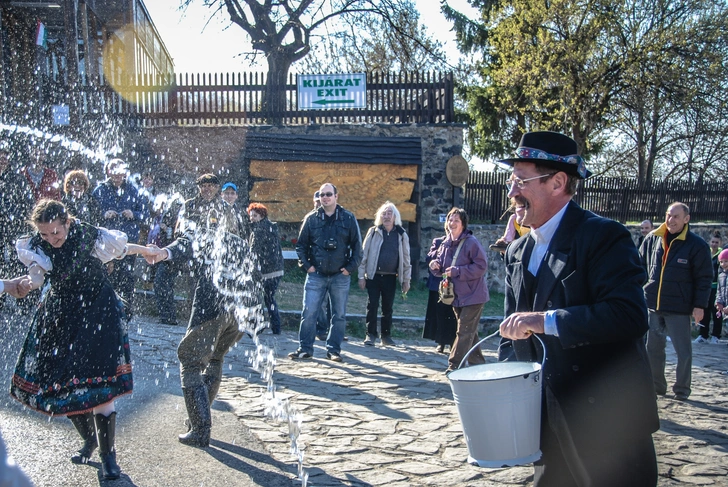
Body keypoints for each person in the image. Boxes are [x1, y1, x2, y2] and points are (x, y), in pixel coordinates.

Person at [498, 131, 659, 487]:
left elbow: (630, 315)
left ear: (557, 182)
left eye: (521, 181)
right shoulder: (516, 251)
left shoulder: (604, 236)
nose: (512, 193)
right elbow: (512, 338)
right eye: (512, 182)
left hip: (606, 421)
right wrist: (504, 396)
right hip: (544, 424)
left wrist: (547, 321)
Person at [11, 199, 156, 480]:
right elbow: (37, 274)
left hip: (97, 312)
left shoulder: (91, 235)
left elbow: (122, 250)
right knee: (62, 381)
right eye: (45, 234)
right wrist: (28, 282)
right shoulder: (36, 246)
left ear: (67, 222)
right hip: (60, 315)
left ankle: (108, 456)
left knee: (100, 379)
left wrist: (148, 251)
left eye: (56, 232)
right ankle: (89, 440)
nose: (52, 238)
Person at [143, 173, 260, 448]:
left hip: (213, 300)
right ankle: (199, 419)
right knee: (216, 357)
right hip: (240, 305)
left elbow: (186, 242)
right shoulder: (232, 234)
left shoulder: (215, 224)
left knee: (190, 358)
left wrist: (164, 253)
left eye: (211, 186)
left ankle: (199, 428)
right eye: (203, 185)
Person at [640, 202, 713, 400]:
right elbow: (639, 267)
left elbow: (704, 278)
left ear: (686, 219)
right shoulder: (652, 238)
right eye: (668, 215)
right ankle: (656, 387)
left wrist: (699, 306)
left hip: (680, 308)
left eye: (676, 216)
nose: (670, 220)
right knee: (653, 349)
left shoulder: (697, 245)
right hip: (652, 305)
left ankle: (682, 390)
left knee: (683, 352)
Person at [289, 183, 362, 362]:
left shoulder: (348, 218)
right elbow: (301, 246)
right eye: (322, 195)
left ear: (336, 196)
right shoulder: (311, 219)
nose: (326, 197)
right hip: (316, 274)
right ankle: (305, 348)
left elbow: (358, 248)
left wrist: (349, 269)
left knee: (339, 315)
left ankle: (334, 350)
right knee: (309, 312)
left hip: (340, 275)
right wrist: (308, 266)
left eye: (329, 194)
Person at [429, 208, 488, 372]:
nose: (452, 223)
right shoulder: (446, 243)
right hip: (457, 295)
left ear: (463, 224)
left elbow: (481, 266)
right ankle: (478, 365)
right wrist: (434, 265)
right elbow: (440, 266)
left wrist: (458, 271)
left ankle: (454, 366)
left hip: (474, 295)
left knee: (463, 331)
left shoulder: (471, 243)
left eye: (456, 220)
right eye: (450, 220)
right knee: (469, 332)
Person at [92, 158, 149, 313]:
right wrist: (104, 214)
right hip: (105, 242)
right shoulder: (99, 190)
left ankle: (126, 311)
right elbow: (90, 215)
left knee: (126, 277)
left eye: (120, 170)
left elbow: (145, 214)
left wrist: (133, 214)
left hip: (127, 240)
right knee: (105, 276)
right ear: (108, 172)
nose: (117, 173)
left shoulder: (133, 190)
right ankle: (104, 310)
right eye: (113, 170)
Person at [358, 201, 411, 346]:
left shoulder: (401, 235)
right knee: (372, 305)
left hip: (390, 277)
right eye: (384, 213)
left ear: (395, 217)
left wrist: (406, 279)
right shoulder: (373, 232)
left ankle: (386, 336)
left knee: (388, 307)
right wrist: (361, 276)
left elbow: (406, 259)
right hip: (374, 276)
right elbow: (364, 255)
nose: (386, 216)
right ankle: (370, 334)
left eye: (389, 213)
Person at [0, 142, 34, 311]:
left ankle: (23, 299)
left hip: (14, 228)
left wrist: (22, 223)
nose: (2, 158)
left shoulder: (16, 179)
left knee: (19, 260)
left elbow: (27, 204)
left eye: (5, 155)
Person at [248, 202, 284, 334]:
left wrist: (250, 266)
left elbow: (254, 251)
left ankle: (260, 324)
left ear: (262, 216)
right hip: (277, 269)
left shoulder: (259, 229)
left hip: (266, 271)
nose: (252, 218)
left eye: (255, 216)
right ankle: (276, 326)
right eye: (251, 216)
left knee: (256, 297)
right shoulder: (271, 227)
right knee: (269, 298)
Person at [422, 233, 457, 353]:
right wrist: (434, 259)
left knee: (453, 316)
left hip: (455, 284)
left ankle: (453, 343)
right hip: (438, 284)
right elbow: (429, 257)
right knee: (439, 314)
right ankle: (441, 342)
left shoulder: (463, 243)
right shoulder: (438, 241)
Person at [695, 230, 723, 344]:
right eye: (713, 242)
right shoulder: (706, 253)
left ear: (720, 243)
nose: (714, 244)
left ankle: (716, 335)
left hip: (717, 288)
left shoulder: (722, 254)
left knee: (716, 312)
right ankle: (703, 335)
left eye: (717, 242)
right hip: (706, 288)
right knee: (704, 311)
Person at [714, 248, 728, 337]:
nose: (723, 264)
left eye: (726, 261)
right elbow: (719, 290)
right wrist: (718, 302)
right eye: (721, 262)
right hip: (725, 307)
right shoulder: (721, 275)